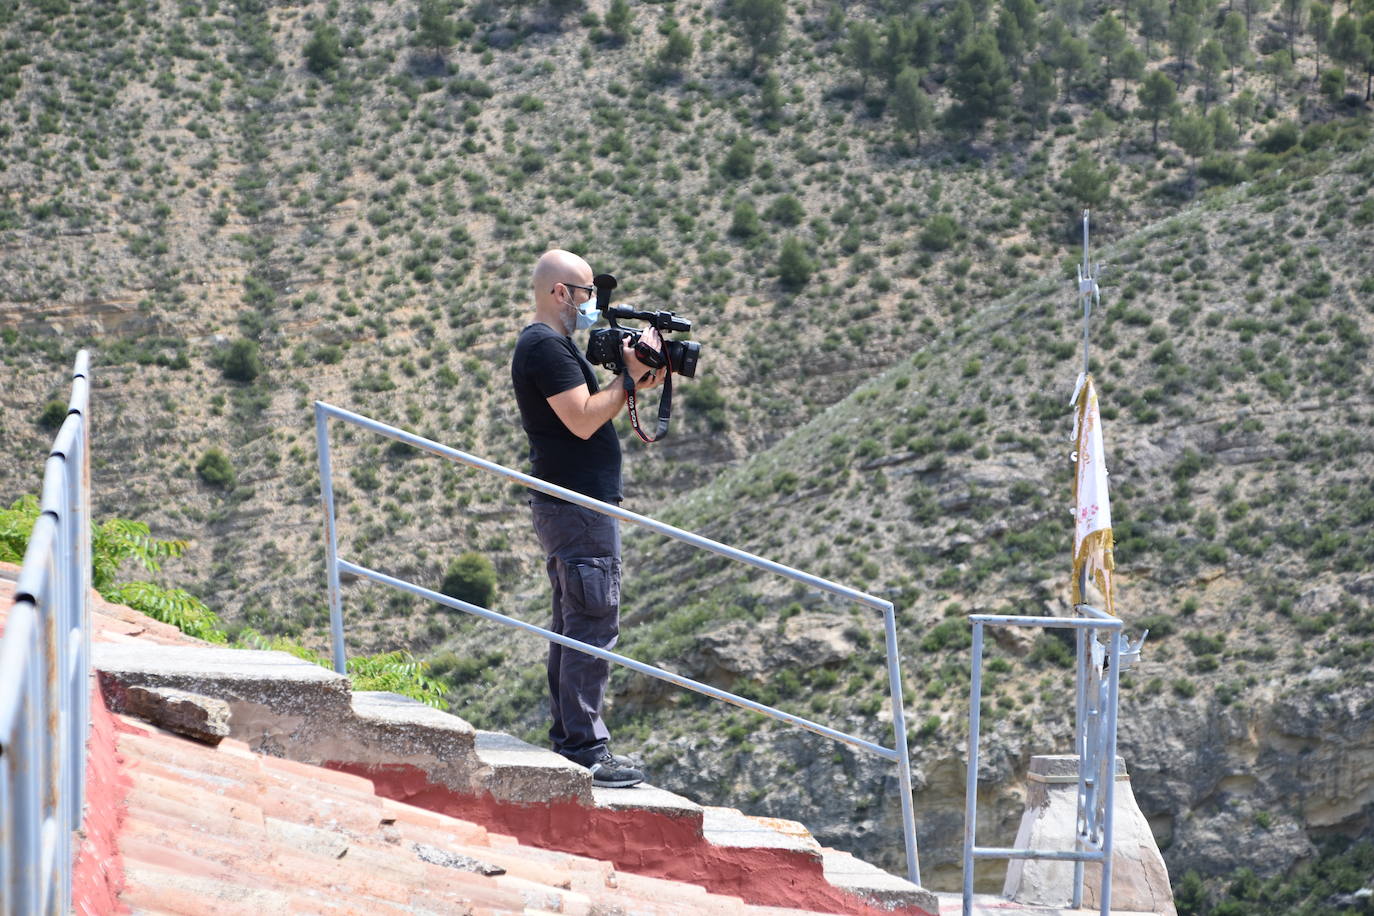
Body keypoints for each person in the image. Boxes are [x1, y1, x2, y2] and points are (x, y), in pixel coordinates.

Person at [510, 249, 664, 788]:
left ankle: (572, 740)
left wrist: (629, 383)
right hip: (577, 506)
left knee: (575, 623)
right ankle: (586, 749)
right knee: (593, 622)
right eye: (585, 292)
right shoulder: (546, 346)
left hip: (572, 504)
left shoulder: (549, 345)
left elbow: (586, 413)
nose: (591, 303)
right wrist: (627, 380)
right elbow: (580, 421)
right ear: (559, 293)